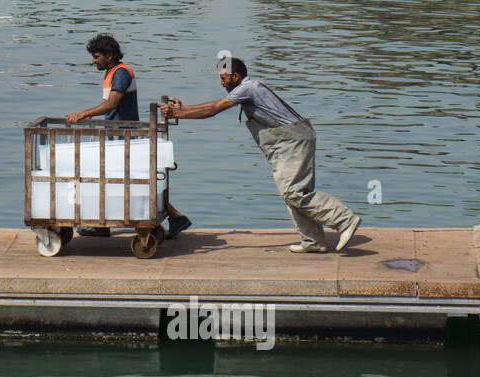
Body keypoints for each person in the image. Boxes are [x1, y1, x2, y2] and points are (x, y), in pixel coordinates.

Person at [161, 57, 361, 253]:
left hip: (293, 141)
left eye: (224, 78)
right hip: (285, 143)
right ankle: (313, 241)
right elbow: (213, 105)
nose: (222, 83)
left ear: (236, 76)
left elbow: (214, 109)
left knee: (294, 192)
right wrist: (182, 109)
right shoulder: (246, 89)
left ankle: (344, 220)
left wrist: (177, 114)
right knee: (290, 193)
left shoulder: (248, 88)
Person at [66, 34, 192, 238]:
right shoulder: (111, 72)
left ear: (111, 55)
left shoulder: (121, 73)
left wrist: (83, 113)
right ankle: (103, 224)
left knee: (128, 181)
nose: (94, 60)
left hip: (124, 138)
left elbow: (112, 104)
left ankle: (175, 217)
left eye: (97, 56)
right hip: (116, 136)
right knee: (114, 179)